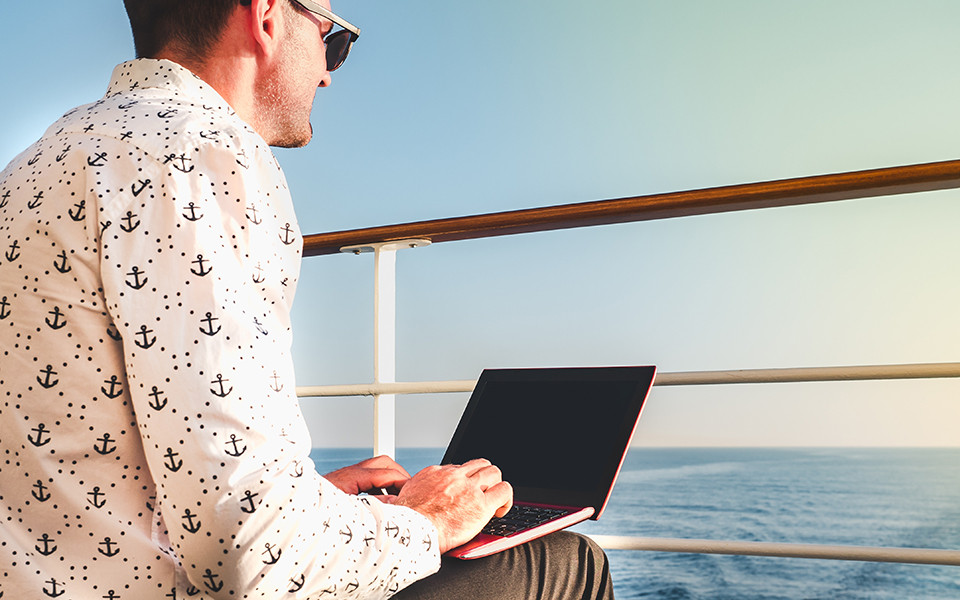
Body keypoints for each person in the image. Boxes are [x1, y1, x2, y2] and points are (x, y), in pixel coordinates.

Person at [0, 0, 615, 598]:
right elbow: (247, 554)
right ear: (267, 16)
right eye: (334, 36)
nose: (326, 71)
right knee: (569, 564)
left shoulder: (35, 165)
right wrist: (427, 521)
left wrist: (309, 500)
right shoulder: (204, 155)